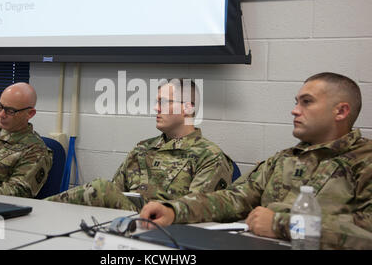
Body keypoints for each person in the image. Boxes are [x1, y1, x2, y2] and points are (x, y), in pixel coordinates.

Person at [140, 72, 372, 249]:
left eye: (307, 102)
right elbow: (234, 198)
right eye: (296, 102)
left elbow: (368, 229)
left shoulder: (365, 161)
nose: (294, 110)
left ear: (341, 112)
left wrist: (280, 225)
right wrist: (174, 210)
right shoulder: (283, 160)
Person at [45, 79, 234, 211]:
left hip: (168, 233)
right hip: (123, 228)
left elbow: (197, 211)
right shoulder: (143, 149)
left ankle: (41, 209)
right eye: (157, 102)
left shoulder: (210, 156)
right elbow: (115, 193)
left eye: (164, 102)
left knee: (100, 189)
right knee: (100, 191)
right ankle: (42, 209)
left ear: (188, 108)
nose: (156, 108)